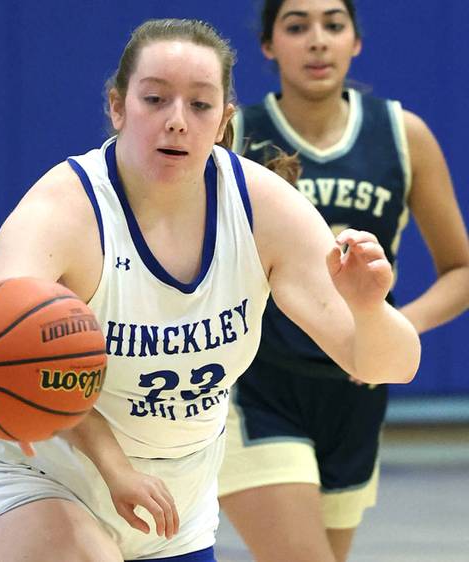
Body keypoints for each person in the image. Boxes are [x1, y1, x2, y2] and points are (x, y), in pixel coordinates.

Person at [0, 18, 420, 562]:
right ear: (118, 107)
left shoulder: (263, 209)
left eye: (200, 105)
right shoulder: (66, 212)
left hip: (177, 500)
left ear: (225, 118)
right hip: (46, 476)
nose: (177, 122)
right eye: (155, 99)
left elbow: (386, 364)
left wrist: (369, 308)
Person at [217, 2, 469, 562]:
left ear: (355, 41)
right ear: (267, 45)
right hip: (258, 387)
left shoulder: (403, 136)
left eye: (333, 25)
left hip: (357, 391)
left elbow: (461, 269)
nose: (317, 41)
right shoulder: (236, 136)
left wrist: (397, 329)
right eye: (296, 26)